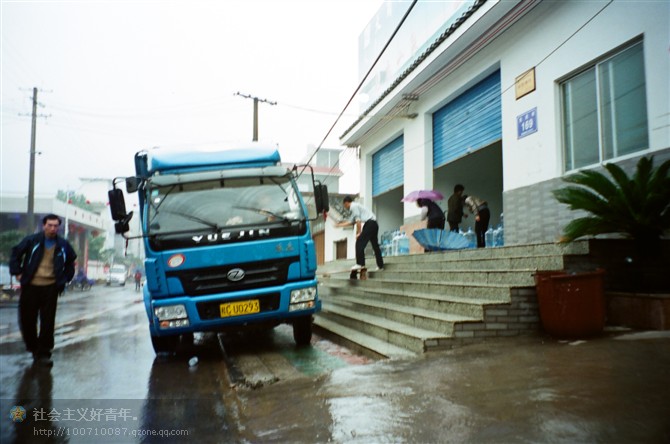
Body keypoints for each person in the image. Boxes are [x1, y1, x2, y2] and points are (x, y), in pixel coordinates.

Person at [9, 214, 77, 367]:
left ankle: (44, 353)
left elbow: (71, 262)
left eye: (55, 226)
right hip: (30, 286)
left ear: (58, 227)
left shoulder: (63, 244)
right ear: (44, 226)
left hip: (51, 288)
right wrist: (18, 272)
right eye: (50, 225)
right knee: (27, 320)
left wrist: (65, 278)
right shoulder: (32, 241)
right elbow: (15, 254)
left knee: (47, 322)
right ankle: (33, 348)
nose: (53, 228)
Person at [336, 196, 384, 271]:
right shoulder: (356, 206)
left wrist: (359, 233)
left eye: (345, 205)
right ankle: (380, 266)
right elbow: (351, 222)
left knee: (359, 242)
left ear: (346, 203)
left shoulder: (353, 206)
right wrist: (339, 225)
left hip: (370, 224)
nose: (345, 207)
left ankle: (360, 264)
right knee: (375, 246)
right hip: (374, 224)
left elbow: (358, 221)